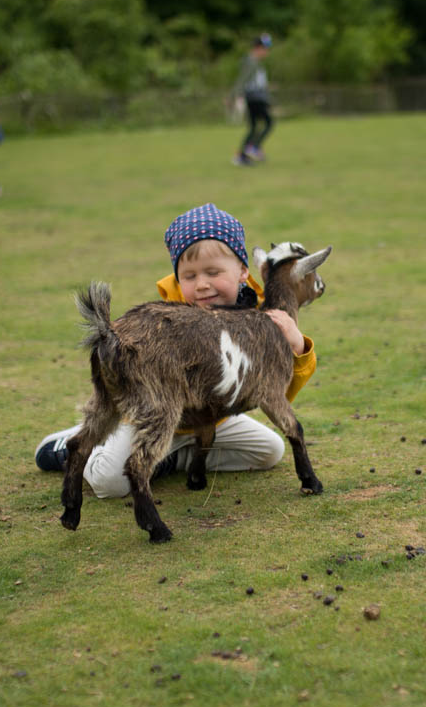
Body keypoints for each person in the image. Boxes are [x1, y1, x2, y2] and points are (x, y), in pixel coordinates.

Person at [35, 203, 317, 497]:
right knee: (110, 483)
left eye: (213, 271)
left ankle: (171, 460)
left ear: (243, 271)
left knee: (269, 450)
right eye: (190, 276)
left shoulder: (260, 320)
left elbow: (274, 394)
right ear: (177, 278)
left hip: (208, 420)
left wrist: (297, 347)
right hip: (149, 417)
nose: (203, 285)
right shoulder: (166, 324)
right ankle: (76, 446)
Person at [230, 33, 274, 166]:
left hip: (257, 96)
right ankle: (253, 148)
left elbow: (255, 81)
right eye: (265, 48)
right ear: (258, 48)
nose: (267, 52)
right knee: (268, 122)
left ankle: (243, 155)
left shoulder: (255, 62)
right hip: (254, 97)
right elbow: (242, 80)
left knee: (254, 126)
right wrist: (234, 95)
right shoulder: (250, 61)